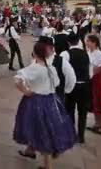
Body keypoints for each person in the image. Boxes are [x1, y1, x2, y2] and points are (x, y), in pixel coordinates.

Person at [14, 39, 77, 169]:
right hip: (51, 101)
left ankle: (48, 166)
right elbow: (58, 83)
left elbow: (17, 80)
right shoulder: (51, 68)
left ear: (35, 54)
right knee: (42, 127)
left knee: (40, 129)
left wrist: (26, 91)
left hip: (34, 101)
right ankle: (30, 150)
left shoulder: (34, 68)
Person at [61, 33, 91, 144]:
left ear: (68, 42)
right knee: (83, 112)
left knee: (70, 110)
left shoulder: (65, 54)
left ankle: (71, 133)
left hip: (72, 86)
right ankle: (81, 136)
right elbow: (90, 70)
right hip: (85, 86)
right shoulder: (86, 53)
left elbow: (62, 71)